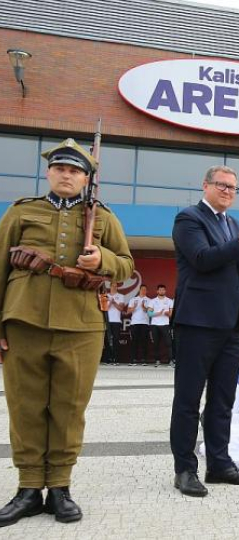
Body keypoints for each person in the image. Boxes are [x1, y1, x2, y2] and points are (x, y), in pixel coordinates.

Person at [0, 138, 134, 527]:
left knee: (68, 410)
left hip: (81, 326)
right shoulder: (22, 211)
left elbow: (125, 265)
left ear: (86, 178)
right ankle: (28, 489)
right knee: (25, 407)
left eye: (75, 170)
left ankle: (59, 487)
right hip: (23, 320)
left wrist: (102, 259)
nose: (66, 174)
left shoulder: (105, 219)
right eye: (60, 168)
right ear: (49, 172)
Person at [170, 165, 239, 497]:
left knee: (222, 401)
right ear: (206, 185)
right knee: (188, 400)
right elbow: (202, 259)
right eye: (223, 185)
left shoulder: (233, 224)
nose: (229, 191)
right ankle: (185, 469)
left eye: (234, 187)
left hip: (231, 325)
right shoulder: (189, 219)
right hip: (198, 323)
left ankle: (219, 464)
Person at [149, 284, 173, 367]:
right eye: (160, 290)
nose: (162, 291)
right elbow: (149, 313)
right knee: (156, 343)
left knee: (169, 343)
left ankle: (170, 360)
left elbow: (171, 314)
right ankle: (157, 360)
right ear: (157, 291)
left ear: (165, 291)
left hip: (165, 324)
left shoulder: (169, 301)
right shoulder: (152, 301)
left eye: (163, 290)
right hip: (155, 324)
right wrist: (157, 313)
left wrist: (168, 313)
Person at [127, 284, 150, 366]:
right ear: (139, 290)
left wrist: (145, 308)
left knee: (144, 341)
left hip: (145, 323)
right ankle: (133, 359)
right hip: (134, 323)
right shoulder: (133, 299)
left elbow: (151, 313)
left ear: (146, 291)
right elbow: (128, 312)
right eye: (142, 289)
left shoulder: (149, 300)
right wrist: (135, 307)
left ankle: (144, 360)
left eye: (145, 289)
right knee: (134, 341)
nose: (143, 291)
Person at [106, 282, 125, 365]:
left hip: (116, 321)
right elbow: (104, 309)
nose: (114, 287)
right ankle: (108, 358)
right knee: (107, 340)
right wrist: (110, 302)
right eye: (113, 286)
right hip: (107, 321)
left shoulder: (121, 296)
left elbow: (121, 308)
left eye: (116, 286)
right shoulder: (105, 295)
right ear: (109, 287)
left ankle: (116, 358)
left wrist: (114, 303)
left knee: (116, 340)